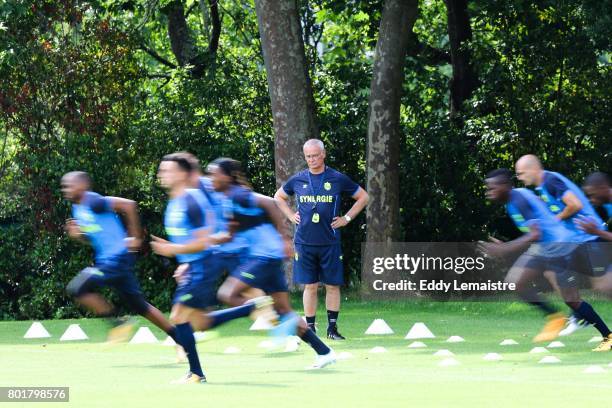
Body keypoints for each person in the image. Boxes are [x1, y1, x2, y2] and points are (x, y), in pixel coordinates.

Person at [151, 154, 274, 384]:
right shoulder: (174, 203)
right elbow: (189, 240)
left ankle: (196, 373)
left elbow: (204, 240)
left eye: (167, 170)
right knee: (200, 322)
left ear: (182, 174)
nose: (162, 175)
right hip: (194, 265)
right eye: (161, 170)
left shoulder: (191, 200)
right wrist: (183, 261)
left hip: (204, 266)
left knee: (178, 316)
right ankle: (248, 309)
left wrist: (173, 250)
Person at [210, 157, 337, 369]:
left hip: (264, 257)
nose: (211, 177)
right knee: (286, 312)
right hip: (267, 258)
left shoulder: (237, 194)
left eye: (214, 173)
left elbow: (270, 202)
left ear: (227, 176)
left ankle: (264, 309)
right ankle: (324, 352)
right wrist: (210, 242)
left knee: (228, 294)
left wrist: (285, 238)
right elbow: (231, 233)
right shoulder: (228, 199)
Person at [481, 169, 612, 350]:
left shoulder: (518, 199)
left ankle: (607, 336)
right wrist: (508, 246)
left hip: (560, 248)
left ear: (505, 186)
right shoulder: (512, 202)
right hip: (545, 248)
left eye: (492, 187)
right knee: (515, 283)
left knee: (573, 298)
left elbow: (536, 233)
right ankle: (556, 317)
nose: (489, 191)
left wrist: (505, 249)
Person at [61, 171, 176, 344]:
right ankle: (181, 338)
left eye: (70, 185)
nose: (66, 189)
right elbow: (96, 236)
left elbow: (129, 205)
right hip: (112, 261)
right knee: (140, 305)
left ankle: (118, 323)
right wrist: (79, 236)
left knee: (77, 288)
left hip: (116, 260)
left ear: (83, 185)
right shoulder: (77, 208)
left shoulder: (93, 201)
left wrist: (136, 237)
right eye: (64, 186)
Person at [274, 139, 368, 340]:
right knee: (310, 286)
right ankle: (310, 329)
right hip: (305, 242)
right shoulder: (299, 179)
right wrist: (291, 216)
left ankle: (332, 329)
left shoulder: (336, 178)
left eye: (315, 155)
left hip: (330, 241)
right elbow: (278, 197)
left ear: (323, 154)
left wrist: (347, 218)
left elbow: (363, 197)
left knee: (332, 285)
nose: (312, 159)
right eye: (308, 156)